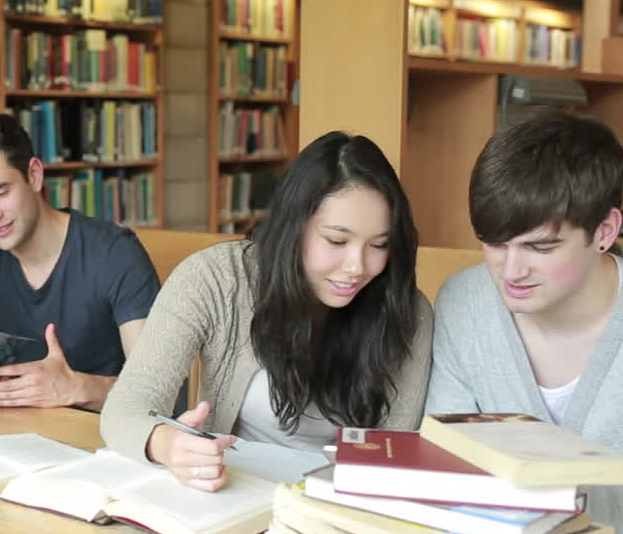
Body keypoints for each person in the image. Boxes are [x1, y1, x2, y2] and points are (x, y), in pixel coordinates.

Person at [101, 131, 432, 491]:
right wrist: (167, 444)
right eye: (337, 241)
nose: (357, 265)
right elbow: (125, 409)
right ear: (293, 227)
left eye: (379, 245)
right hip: (230, 494)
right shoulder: (215, 278)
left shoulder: (408, 312)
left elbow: (394, 455)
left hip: (340, 508)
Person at [425, 109, 623, 534]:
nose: (511, 271)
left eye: (540, 247)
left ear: (605, 231)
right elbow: (447, 466)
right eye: (495, 244)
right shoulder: (465, 302)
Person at [0, 112, 159, 410]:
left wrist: (77, 387)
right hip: (13, 434)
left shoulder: (116, 253)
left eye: (0, 193)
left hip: (102, 436)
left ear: (34, 175)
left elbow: (156, 388)